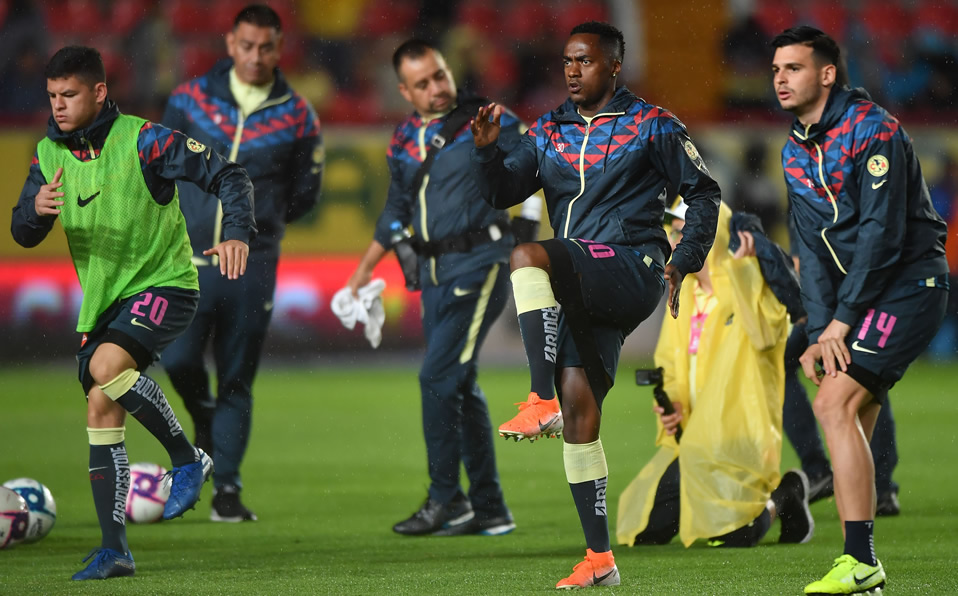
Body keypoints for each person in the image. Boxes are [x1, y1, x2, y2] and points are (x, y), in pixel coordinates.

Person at [471, 21, 720, 589]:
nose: (572, 70)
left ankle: (538, 399)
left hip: (634, 264)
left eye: (584, 60)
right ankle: (600, 559)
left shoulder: (653, 125)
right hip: (583, 281)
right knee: (580, 410)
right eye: (567, 60)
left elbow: (704, 192)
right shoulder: (549, 130)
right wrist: (486, 155)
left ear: (613, 65)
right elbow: (503, 191)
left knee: (527, 255)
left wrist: (685, 257)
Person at [10, 46, 255, 579]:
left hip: (167, 284)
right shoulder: (46, 155)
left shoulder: (146, 140)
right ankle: (115, 550)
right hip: (104, 304)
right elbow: (22, 232)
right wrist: (35, 211)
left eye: (69, 94)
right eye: (52, 96)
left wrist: (237, 232)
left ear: (99, 92)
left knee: (106, 369)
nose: (58, 105)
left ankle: (188, 458)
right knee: (101, 409)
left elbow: (229, 175)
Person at [771, 26, 949, 595]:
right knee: (849, 416)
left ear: (827, 74)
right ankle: (862, 564)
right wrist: (819, 330)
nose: (779, 78)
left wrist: (842, 322)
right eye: (776, 69)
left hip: (909, 285)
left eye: (794, 68)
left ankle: (860, 561)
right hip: (863, 300)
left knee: (832, 404)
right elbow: (808, 247)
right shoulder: (793, 150)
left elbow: (881, 235)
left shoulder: (873, 129)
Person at [346, 39, 537, 537]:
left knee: (436, 378)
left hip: (480, 262)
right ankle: (489, 508)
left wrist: (529, 231)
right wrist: (365, 268)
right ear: (404, 91)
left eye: (440, 75)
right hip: (432, 274)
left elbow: (539, 163)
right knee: (459, 384)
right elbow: (396, 209)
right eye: (423, 82)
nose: (436, 87)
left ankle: (446, 500)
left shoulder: (488, 118)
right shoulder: (403, 137)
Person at [160, 4, 323, 522]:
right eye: (247, 45)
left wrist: (259, 226)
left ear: (279, 48)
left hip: (251, 265)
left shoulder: (298, 115)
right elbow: (159, 167)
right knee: (178, 361)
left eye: (265, 47)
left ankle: (227, 490)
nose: (255, 56)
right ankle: (205, 419)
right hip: (184, 258)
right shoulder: (188, 99)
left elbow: (305, 194)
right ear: (231, 44)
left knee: (236, 376)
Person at [617, 199, 814, 549]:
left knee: (734, 534)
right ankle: (768, 498)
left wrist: (745, 271)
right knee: (648, 532)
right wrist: (672, 404)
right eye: (673, 231)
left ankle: (785, 494)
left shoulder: (750, 278)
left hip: (739, 435)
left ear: (712, 234)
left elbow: (767, 336)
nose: (674, 240)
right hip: (696, 438)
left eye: (683, 231)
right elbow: (669, 360)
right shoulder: (684, 292)